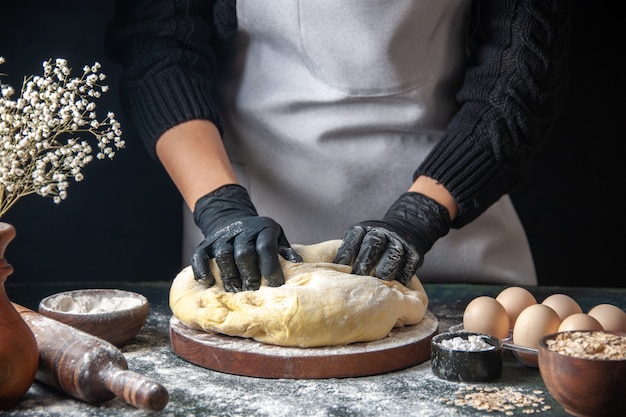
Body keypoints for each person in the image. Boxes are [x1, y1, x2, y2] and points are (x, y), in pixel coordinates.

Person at [105, 0, 570, 292]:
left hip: (456, 245)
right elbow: (159, 47)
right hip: (250, 256)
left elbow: (519, 79)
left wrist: (420, 216)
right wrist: (220, 206)